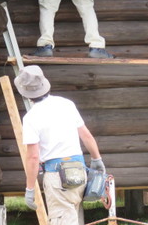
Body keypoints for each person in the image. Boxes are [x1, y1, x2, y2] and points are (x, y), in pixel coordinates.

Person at [14, 65, 106, 224]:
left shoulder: (31, 118)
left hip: (58, 178)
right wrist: (97, 160)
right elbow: (86, 135)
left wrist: (30, 189)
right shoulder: (67, 104)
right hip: (78, 172)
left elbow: (33, 157)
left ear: (26, 94)